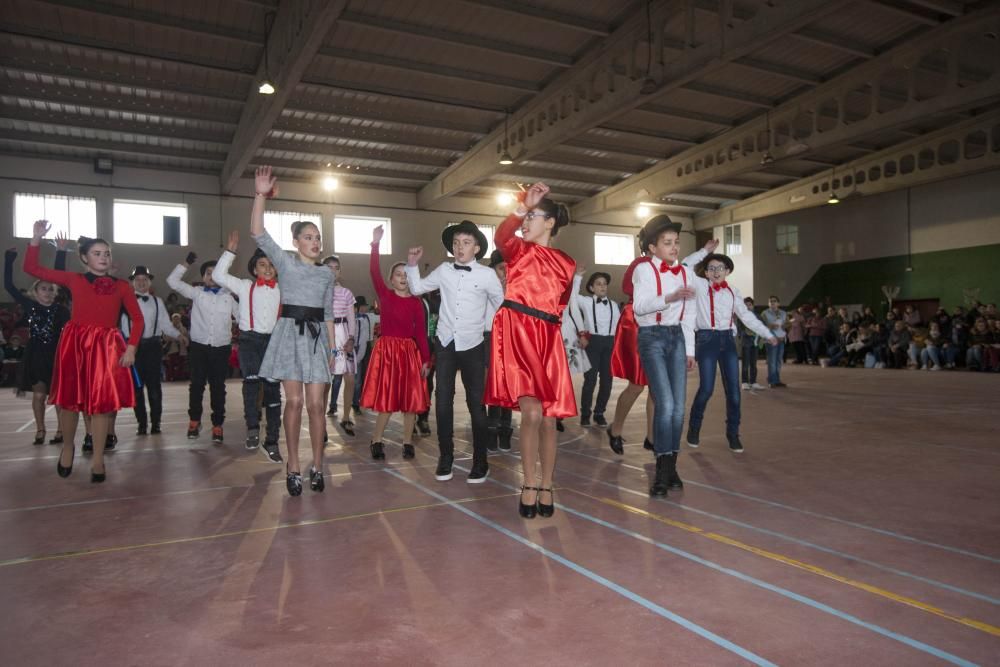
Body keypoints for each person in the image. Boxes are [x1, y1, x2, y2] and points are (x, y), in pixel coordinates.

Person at [24, 220, 142, 483]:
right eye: (97, 253)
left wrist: (131, 347)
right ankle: (68, 446)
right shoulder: (73, 279)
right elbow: (31, 267)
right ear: (84, 258)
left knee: (100, 405)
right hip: (75, 344)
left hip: (106, 347)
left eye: (107, 253)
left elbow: (138, 319)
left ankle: (98, 458)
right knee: (69, 402)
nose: (103, 258)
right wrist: (35, 239)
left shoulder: (122, 286)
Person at [485, 182, 575, 519]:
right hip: (517, 331)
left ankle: (547, 484)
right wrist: (523, 206)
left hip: (548, 336)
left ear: (550, 222)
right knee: (533, 413)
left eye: (534, 216)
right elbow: (500, 236)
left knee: (550, 421)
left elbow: (562, 304)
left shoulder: (567, 263)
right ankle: (528, 482)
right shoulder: (518, 250)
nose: (526, 222)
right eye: (527, 217)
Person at [252, 167, 336, 496]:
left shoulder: (327, 275)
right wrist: (260, 194)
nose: (315, 242)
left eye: (318, 237)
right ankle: (294, 465)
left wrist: (332, 351)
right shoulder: (285, 263)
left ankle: (317, 465)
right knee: (295, 402)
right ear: (295, 241)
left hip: (317, 340)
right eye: (308, 237)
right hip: (289, 335)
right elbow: (258, 233)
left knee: (317, 406)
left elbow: (328, 314)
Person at [405, 220, 503, 483]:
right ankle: (445, 457)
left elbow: (502, 307)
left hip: (473, 345)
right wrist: (412, 266)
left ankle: (481, 461)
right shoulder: (444, 270)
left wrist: (489, 327)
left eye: (466, 243)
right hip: (446, 342)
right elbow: (417, 288)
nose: (460, 248)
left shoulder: (487, 275)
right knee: (443, 401)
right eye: (456, 243)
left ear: (477, 247)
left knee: (476, 405)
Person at [683, 249, 778, 454]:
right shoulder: (698, 286)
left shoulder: (734, 291)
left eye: (720, 268)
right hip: (706, 340)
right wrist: (704, 251)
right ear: (706, 273)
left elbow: (746, 316)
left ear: (727, 271)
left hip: (727, 340)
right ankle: (694, 427)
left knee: (734, 392)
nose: (716, 272)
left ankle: (733, 433)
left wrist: (766, 333)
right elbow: (684, 266)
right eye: (711, 268)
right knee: (706, 388)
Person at [632, 215, 695, 496]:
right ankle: (661, 469)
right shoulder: (644, 271)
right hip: (652, 338)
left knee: (679, 407)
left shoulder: (685, 272)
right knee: (665, 403)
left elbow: (690, 313)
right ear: (653, 248)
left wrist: (690, 350)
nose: (673, 247)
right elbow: (640, 307)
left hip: (677, 338)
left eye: (676, 242)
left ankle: (671, 466)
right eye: (667, 243)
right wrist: (669, 298)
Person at [213, 231, 283, 462]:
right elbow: (218, 274)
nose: (267, 268)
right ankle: (252, 426)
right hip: (249, 340)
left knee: (273, 391)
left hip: (273, 342)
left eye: (271, 264)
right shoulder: (244, 286)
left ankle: (272, 439)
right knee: (251, 380)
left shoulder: (283, 291)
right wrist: (230, 251)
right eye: (262, 264)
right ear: (254, 269)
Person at [363, 225, 430, 461]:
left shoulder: (416, 303)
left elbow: (421, 333)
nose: (402, 277)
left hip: (409, 353)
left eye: (406, 274)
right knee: (388, 401)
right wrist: (375, 243)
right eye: (398, 274)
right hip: (388, 352)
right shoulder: (385, 295)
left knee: (411, 402)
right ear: (391, 280)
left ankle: (407, 442)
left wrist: (426, 358)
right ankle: (377, 440)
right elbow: (373, 271)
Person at [167, 253, 238, 444]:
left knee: (218, 388)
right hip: (199, 347)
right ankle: (194, 421)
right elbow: (172, 281)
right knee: (196, 386)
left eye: (216, 273)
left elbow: (242, 318)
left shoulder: (229, 298)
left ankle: (217, 425)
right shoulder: (196, 292)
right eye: (208, 273)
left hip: (221, 348)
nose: (212, 277)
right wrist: (186, 263)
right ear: (203, 277)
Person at [4, 241, 70, 445]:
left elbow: (61, 278)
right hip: (36, 356)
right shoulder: (30, 306)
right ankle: (40, 429)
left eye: (51, 289)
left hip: (57, 354)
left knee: (58, 397)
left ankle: (61, 430)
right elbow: (9, 286)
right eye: (43, 288)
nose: (48, 292)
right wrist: (9, 260)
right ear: (35, 291)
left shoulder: (60, 310)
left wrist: (61, 252)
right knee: (39, 396)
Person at [120, 266, 184, 436]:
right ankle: (141, 423)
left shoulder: (157, 302)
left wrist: (179, 336)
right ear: (132, 282)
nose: (141, 283)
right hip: (132, 349)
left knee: (155, 388)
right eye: (138, 280)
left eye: (144, 280)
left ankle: (156, 423)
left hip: (153, 348)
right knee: (137, 388)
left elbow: (165, 325)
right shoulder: (124, 302)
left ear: (149, 282)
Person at [607, 242, 655, 456]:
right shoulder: (640, 263)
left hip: (661, 324)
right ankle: (615, 429)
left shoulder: (673, 267)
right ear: (653, 245)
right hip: (636, 322)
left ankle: (652, 438)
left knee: (656, 388)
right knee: (636, 385)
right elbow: (627, 288)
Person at [575, 271, 619, 427]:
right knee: (590, 380)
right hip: (593, 343)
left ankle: (599, 412)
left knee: (607, 381)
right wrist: (578, 277)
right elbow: (572, 297)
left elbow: (617, 327)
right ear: (591, 288)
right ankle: (585, 413)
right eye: (598, 284)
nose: (603, 286)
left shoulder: (613, 305)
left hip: (609, 343)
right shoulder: (586, 302)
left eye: (605, 284)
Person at [321, 255, 359, 436]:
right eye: (329, 267)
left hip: (343, 334)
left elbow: (351, 317)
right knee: (326, 381)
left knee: (350, 378)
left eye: (336, 267)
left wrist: (351, 338)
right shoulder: (317, 291)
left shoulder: (346, 293)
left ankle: (346, 417)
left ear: (340, 271)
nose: (333, 270)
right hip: (326, 336)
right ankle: (319, 422)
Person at [484, 250, 514, 452]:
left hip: (511, 340)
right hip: (489, 338)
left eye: (507, 268)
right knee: (492, 384)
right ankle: (491, 429)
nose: (504, 272)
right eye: (500, 268)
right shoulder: (485, 288)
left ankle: (505, 429)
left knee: (509, 386)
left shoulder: (515, 290)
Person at [557, 269, 592, 433]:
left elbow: (575, 310)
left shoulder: (567, 286)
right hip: (547, 329)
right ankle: (549, 409)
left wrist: (582, 332)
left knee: (564, 376)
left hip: (566, 330)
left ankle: (558, 413)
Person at [352, 296, 375, 413]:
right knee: (356, 379)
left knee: (363, 376)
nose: (365, 308)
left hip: (366, 348)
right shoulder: (352, 318)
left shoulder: (369, 317)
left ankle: (358, 400)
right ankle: (354, 401)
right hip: (355, 348)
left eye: (365, 306)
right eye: (363, 306)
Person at [738, 296, 765, 390]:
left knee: (754, 363)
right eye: (745, 305)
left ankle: (753, 382)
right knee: (745, 364)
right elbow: (740, 330)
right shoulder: (741, 317)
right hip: (746, 343)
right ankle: (744, 382)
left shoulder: (758, 316)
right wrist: (746, 333)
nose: (748, 307)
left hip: (756, 343)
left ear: (753, 306)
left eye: (750, 305)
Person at [760, 296, 788, 388]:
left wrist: (786, 326)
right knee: (772, 361)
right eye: (770, 301)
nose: (772, 303)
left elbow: (787, 324)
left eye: (774, 301)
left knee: (779, 361)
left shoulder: (784, 313)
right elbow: (760, 325)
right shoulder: (764, 313)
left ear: (778, 303)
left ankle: (777, 380)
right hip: (771, 340)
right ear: (768, 304)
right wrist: (769, 326)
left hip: (781, 339)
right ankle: (772, 380)